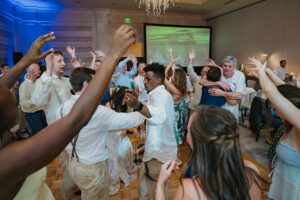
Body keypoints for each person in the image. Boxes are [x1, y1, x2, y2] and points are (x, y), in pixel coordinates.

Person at [0, 24, 137, 199]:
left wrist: (27, 59)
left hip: (77, 139)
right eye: (59, 60)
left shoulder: (66, 82)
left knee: (75, 172)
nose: (14, 97)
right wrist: (113, 54)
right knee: (71, 174)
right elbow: (74, 117)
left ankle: (78, 186)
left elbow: (78, 100)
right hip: (57, 139)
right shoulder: (7, 161)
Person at [57, 68, 144, 199]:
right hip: (93, 169)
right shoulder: (97, 112)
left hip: (74, 163)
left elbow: (63, 138)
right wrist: (146, 109)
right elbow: (130, 120)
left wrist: (75, 153)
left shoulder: (62, 108)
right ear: (86, 85)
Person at [156, 106, 267, 200]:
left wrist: (161, 184)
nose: (186, 137)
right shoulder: (252, 172)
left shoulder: (189, 190)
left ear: (198, 142)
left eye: (188, 131)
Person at [249, 57, 300, 200]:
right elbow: (287, 92)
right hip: (281, 186)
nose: (275, 112)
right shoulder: (293, 119)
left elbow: (275, 94)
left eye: (275, 108)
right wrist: (268, 72)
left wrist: (262, 74)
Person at [125, 63, 177, 200]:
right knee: (154, 187)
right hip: (159, 150)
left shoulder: (159, 95)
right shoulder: (158, 94)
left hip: (158, 154)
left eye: (148, 78)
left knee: (153, 189)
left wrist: (137, 105)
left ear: (159, 80)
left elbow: (158, 117)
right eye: (145, 78)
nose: (145, 81)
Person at [31, 51, 72, 125]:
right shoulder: (41, 81)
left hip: (71, 123)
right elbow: (37, 102)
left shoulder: (65, 80)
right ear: (50, 63)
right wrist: (49, 70)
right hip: (56, 127)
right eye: (59, 61)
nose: (64, 63)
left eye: (63, 61)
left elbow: (81, 87)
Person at [19, 63, 48, 135]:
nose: (40, 71)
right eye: (38, 69)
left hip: (43, 112)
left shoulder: (38, 82)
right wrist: (35, 100)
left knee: (46, 135)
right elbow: (22, 103)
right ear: (32, 71)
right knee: (40, 137)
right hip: (33, 115)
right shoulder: (24, 85)